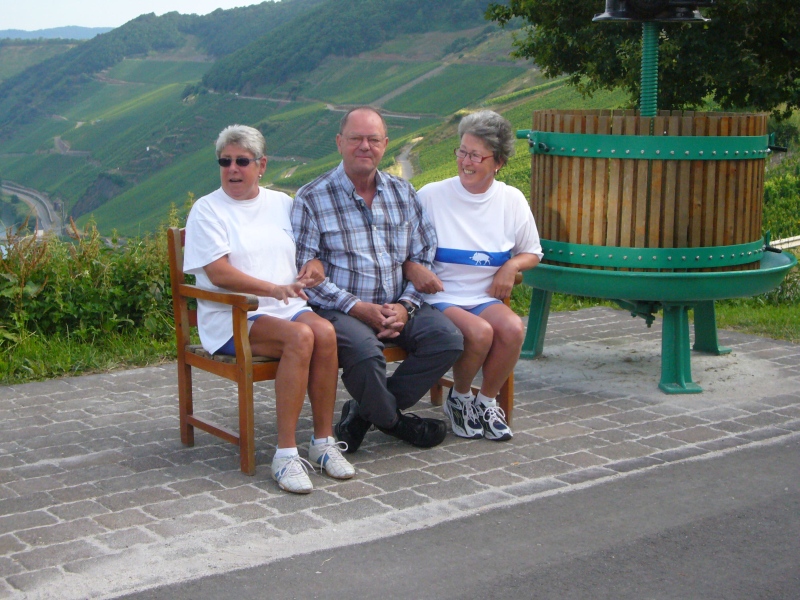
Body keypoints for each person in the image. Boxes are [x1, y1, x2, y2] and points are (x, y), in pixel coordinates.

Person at [183, 124, 355, 494]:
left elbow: (310, 252)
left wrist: (313, 266)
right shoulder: (207, 209)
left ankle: (323, 442)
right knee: (300, 337)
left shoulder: (283, 204)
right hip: (234, 315)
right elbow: (218, 273)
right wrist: (272, 289)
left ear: (261, 165)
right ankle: (286, 454)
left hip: (286, 307)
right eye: (225, 161)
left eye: (242, 161)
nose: (233, 169)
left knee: (325, 333)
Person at [291, 107, 464, 454]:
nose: (364, 146)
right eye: (355, 138)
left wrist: (405, 306)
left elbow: (423, 253)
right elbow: (304, 272)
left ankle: (364, 414)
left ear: (385, 144)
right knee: (367, 354)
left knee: (448, 339)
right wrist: (358, 307)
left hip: (398, 303)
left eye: (373, 139)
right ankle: (395, 423)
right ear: (339, 142)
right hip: (340, 310)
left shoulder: (403, 192)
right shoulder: (311, 197)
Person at [404, 110, 542, 441]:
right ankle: (461, 397)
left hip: (483, 296)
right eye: (462, 152)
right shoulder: (432, 195)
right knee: (480, 333)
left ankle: (487, 401)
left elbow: (532, 252)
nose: (466, 162)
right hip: (440, 295)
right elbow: (400, 249)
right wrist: (413, 268)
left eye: (476, 155)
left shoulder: (511, 200)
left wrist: (511, 266)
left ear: (499, 162)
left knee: (512, 328)